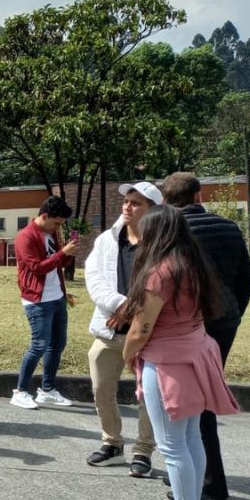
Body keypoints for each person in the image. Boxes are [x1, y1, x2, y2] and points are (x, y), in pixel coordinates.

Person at [121, 205, 239, 500]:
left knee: (173, 446)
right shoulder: (191, 264)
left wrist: (128, 356)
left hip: (168, 363)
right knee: (190, 439)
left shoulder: (160, 272)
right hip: (194, 354)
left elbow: (141, 328)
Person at [161, 173, 250, 500]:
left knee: (190, 405)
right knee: (198, 403)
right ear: (199, 196)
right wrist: (233, 314)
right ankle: (190, 471)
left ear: (165, 199)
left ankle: (209, 486)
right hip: (224, 322)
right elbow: (247, 281)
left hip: (187, 326)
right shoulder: (229, 228)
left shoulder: (169, 230)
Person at [84, 182, 160, 477]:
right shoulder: (107, 240)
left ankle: (143, 451)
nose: (127, 207)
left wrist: (134, 310)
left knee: (148, 395)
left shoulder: (161, 244)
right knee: (101, 388)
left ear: (152, 209)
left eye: (136, 203)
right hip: (110, 328)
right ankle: (112, 444)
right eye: (127, 202)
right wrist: (122, 304)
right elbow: (94, 279)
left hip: (148, 332)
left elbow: (163, 286)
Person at [10, 195, 78, 410]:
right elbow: (37, 268)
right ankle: (20, 391)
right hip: (37, 300)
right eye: (56, 223)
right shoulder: (25, 237)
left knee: (57, 344)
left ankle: (47, 389)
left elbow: (57, 263)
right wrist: (62, 254)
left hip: (56, 297)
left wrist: (68, 253)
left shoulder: (51, 233)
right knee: (39, 345)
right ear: (45, 216)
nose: (57, 228)